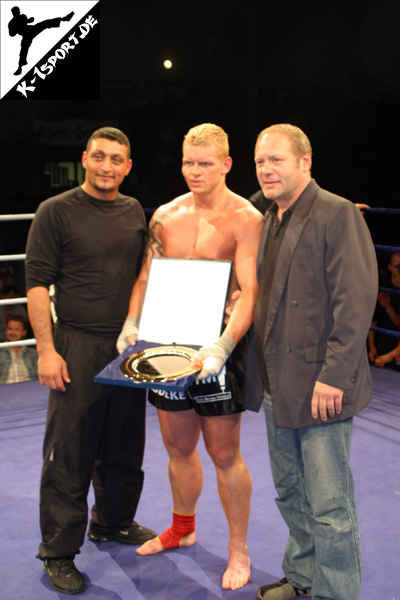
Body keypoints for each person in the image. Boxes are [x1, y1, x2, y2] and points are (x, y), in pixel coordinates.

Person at [117, 123, 264, 590]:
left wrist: (224, 345)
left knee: (224, 452)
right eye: (187, 162)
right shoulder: (166, 214)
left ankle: (238, 550)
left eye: (204, 163)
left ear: (225, 164)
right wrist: (132, 323)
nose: (194, 172)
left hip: (218, 346)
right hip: (168, 344)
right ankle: (182, 528)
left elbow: (250, 290)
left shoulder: (245, 218)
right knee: (177, 445)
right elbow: (146, 276)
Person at [243, 123, 378, 600]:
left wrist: (335, 376)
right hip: (278, 382)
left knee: (330, 504)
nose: (265, 169)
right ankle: (302, 577)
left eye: (276, 159)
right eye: (260, 160)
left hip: (322, 386)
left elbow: (357, 300)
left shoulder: (337, 213)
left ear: (305, 161)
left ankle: (336, 594)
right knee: (291, 493)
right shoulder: (267, 214)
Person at [25, 127, 156, 595]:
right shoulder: (55, 211)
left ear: (127, 165)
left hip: (125, 345)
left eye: (116, 159)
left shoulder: (133, 212)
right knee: (71, 452)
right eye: (99, 157)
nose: (107, 166)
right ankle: (58, 551)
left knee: (124, 443)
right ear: (84, 158)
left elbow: (147, 275)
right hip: (75, 343)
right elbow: (37, 283)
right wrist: (45, 349)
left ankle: (113, 521)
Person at [8, 6, 74, 75]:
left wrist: (30, 20)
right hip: (26, 35)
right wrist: (15, 28)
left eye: (18, 11)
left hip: (31, 30)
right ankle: (20, 68)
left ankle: (64, 19)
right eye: (16, 12)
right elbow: (11, 34)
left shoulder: (22, 16)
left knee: (44, 23)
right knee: (23, 50)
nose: (18, 13)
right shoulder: (12, 23)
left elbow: (28, 21)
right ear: (13, 13)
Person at [368, 251, 400, 367]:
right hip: (387, 340)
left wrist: (389, 356)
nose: (396, 278)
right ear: (390, 268)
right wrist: (371, 346)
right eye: (396, 268)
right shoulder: (384, 291)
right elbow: (374, 320)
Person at [0, 314, 38, 383]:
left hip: (30, 389)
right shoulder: (0, 352)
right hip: (4, 390)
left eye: (17, 329)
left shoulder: (33, 353)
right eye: (10, 328)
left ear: (24, 332)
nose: (12, 332)